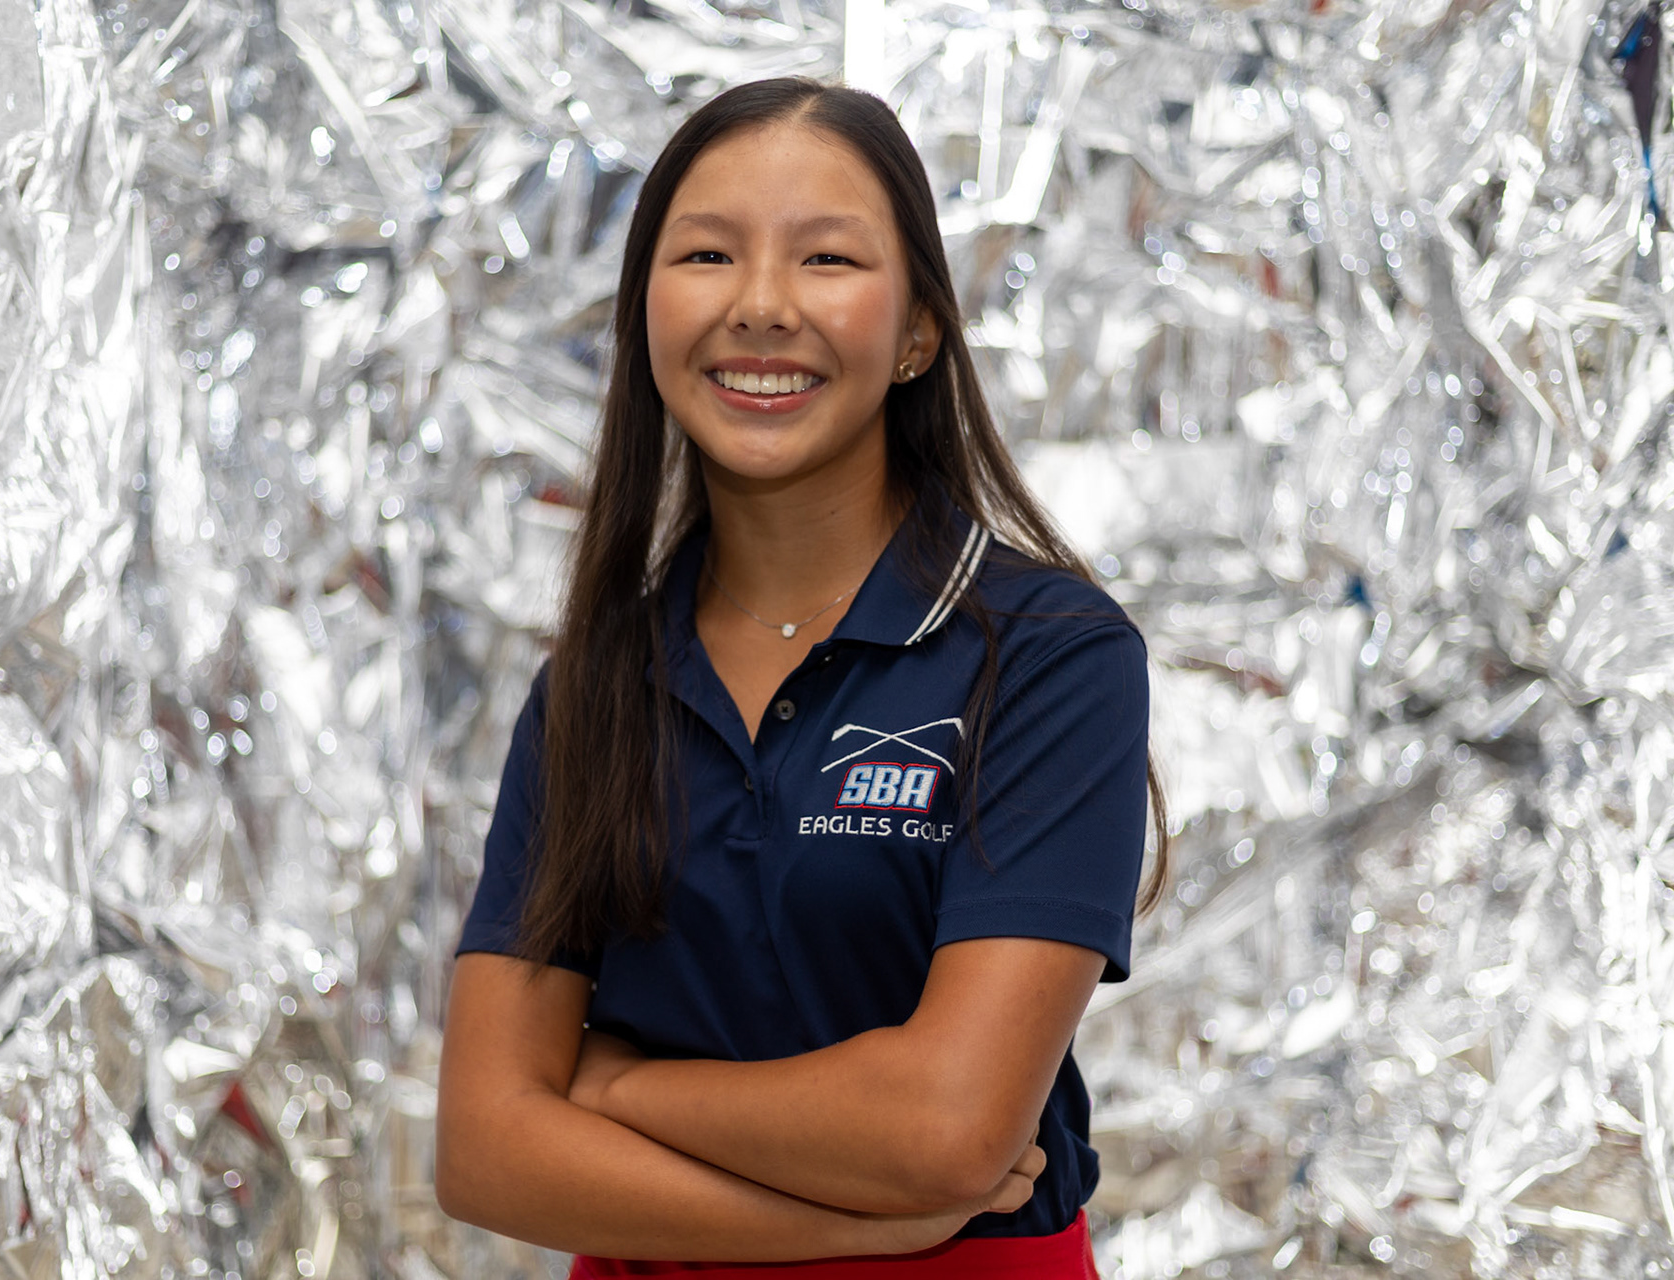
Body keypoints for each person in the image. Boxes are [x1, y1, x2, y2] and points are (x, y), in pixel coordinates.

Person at [435, 76, 1168, 1275]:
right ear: (646, 314)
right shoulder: (595, 687)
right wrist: (848, 1216)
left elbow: (946, 1125)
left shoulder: (1048, 655)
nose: (762, 306)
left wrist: (614, 1084)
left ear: (919, 331)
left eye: (827, 259)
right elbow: (485, 1148)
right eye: (709, 254)